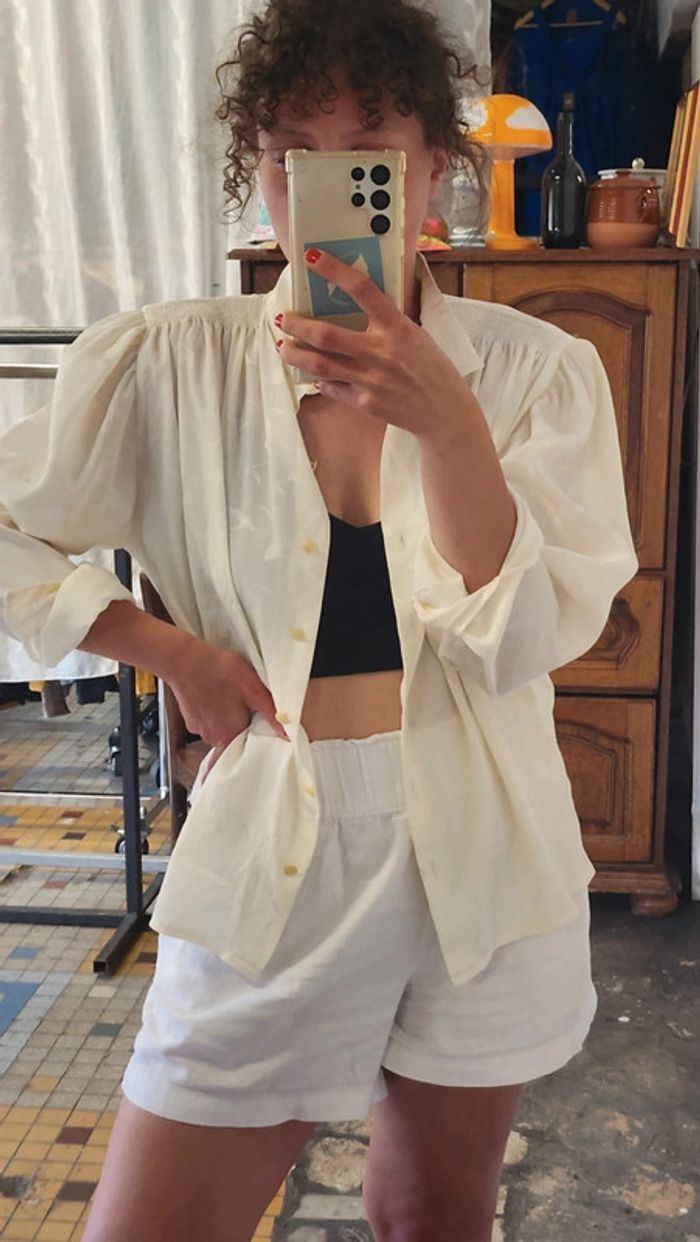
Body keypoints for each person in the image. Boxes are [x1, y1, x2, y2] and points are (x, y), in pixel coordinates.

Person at [0, 2, 639, 1240]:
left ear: (433, 169)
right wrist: (165, 653)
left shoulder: (532, 371)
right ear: (262, 174)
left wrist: (445, 423)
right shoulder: (167, 365)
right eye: (296, 152)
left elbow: (526, 636)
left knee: (431, 1217)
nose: (330, 185)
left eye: (371, 152)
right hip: (276, 840)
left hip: (489, 843)